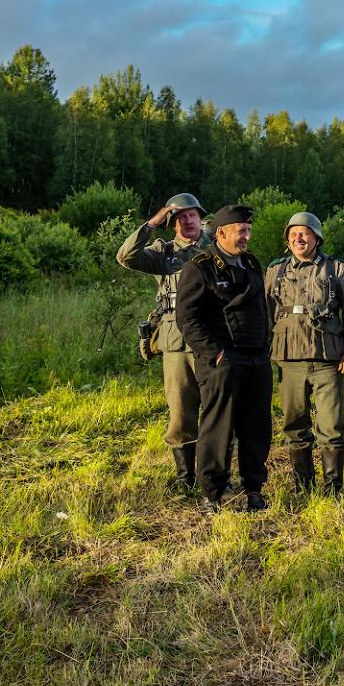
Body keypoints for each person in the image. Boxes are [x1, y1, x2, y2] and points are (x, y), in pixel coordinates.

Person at [175, 204, 274, 514]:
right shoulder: (201, 266)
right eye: (240, 231)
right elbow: (188, 318)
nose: (246, 236)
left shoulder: (252, 263)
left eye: (248, 231)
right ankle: (213, 493)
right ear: (220, 233)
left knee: (256, 428)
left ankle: (254, 490)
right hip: (222, 361)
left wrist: (265, 345)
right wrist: (215, 353)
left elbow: (261, 307)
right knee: (218, 428)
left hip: (256, 359)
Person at [116, 193, 212, 493]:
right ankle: (185, 478)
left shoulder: (216, 245)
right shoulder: (164, 253)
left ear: (200, 216)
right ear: (172, 223)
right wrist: (151, 224)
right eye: (181, 216)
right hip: (175, 339)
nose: (188, 219)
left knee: (216, 408)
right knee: (181, 411)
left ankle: (214, 475)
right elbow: (126, 257)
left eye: (193, 214)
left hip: (212, 335)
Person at [265, 212, 344, 496]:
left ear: (317, 238)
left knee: (331, 426)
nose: (299, 238)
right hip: (288, 358)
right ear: (287, 239)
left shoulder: (337, 269)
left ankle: (333, 488)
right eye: (293, 233)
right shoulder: (275, 270)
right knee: (294, 424)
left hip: (327, 359)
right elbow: (264, 313)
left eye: (305, 233)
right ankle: (302, 486)